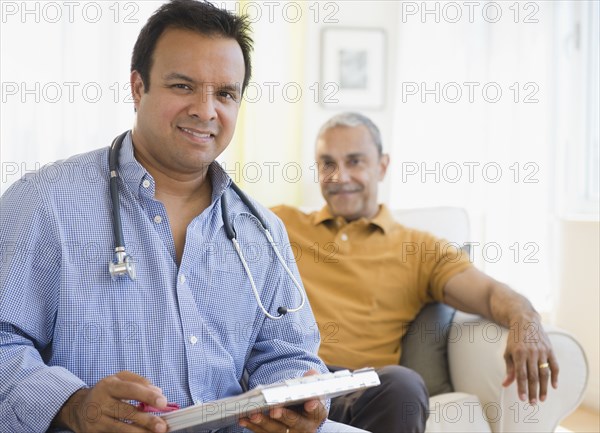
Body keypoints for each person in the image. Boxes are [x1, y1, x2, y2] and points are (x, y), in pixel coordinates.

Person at [0, 2, 332, 433]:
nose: (206, 110)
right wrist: (74, 405)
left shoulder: (261, 230)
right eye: (182, 86)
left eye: (225, 94)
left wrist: (297, 404)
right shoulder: (46, 202)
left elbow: (289, 355)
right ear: (138, 88)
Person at [272, 112, 560, 433]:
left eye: (355, 161)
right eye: (327, 163)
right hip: (285, 381)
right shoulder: (279, 225)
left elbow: (490, 294)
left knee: (403, 384)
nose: (339, 176)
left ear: (382, 166)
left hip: (355, 390)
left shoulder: (419, 249)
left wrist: (527, 321)